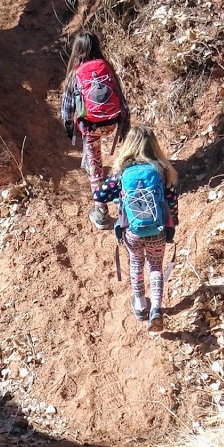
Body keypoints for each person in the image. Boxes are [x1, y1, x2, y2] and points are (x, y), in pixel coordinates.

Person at [93, 126, 178, 334]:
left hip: (131, 230)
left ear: (128, 145)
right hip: (157, 229)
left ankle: (140, 306)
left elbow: (99, 195)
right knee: (155, 267)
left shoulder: (122, 171)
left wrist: (119, 196)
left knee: (136, 264)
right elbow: (172, 199)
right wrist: (173, 223)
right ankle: (156, 309)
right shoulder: (162, 170)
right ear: (153, 145)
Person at [59, 29, 128, 229]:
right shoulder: (106, 67)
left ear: (77, 49)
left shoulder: (74, 74)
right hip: (112, 123)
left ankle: (101, 213)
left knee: (96, 168)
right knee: (95, 157)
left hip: (91, 128)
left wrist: (69, 128)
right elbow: (121, 97)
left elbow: (67, 109)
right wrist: (124, 125)